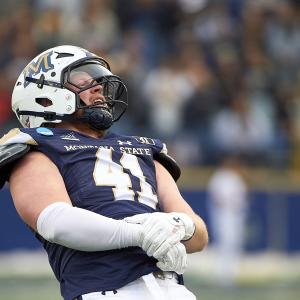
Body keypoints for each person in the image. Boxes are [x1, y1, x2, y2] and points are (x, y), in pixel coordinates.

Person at [0, 45, 208, 300]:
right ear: (45, 96)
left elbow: (199, 235)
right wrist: (139, 234)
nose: (98, 88)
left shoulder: (143, 148)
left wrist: (176, 226)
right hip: (104, 291)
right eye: (83, 80)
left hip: (173, 290)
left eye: (97, 81)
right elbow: (55, 221)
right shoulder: (36, 146)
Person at [207, 155, 248, 287]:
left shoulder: (236, 178)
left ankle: (231, 276)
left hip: (236, 216)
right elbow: (217, 199)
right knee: (225, 245)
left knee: (234, 245)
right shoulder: (219, 177)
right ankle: (223, 277)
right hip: (224, 216)